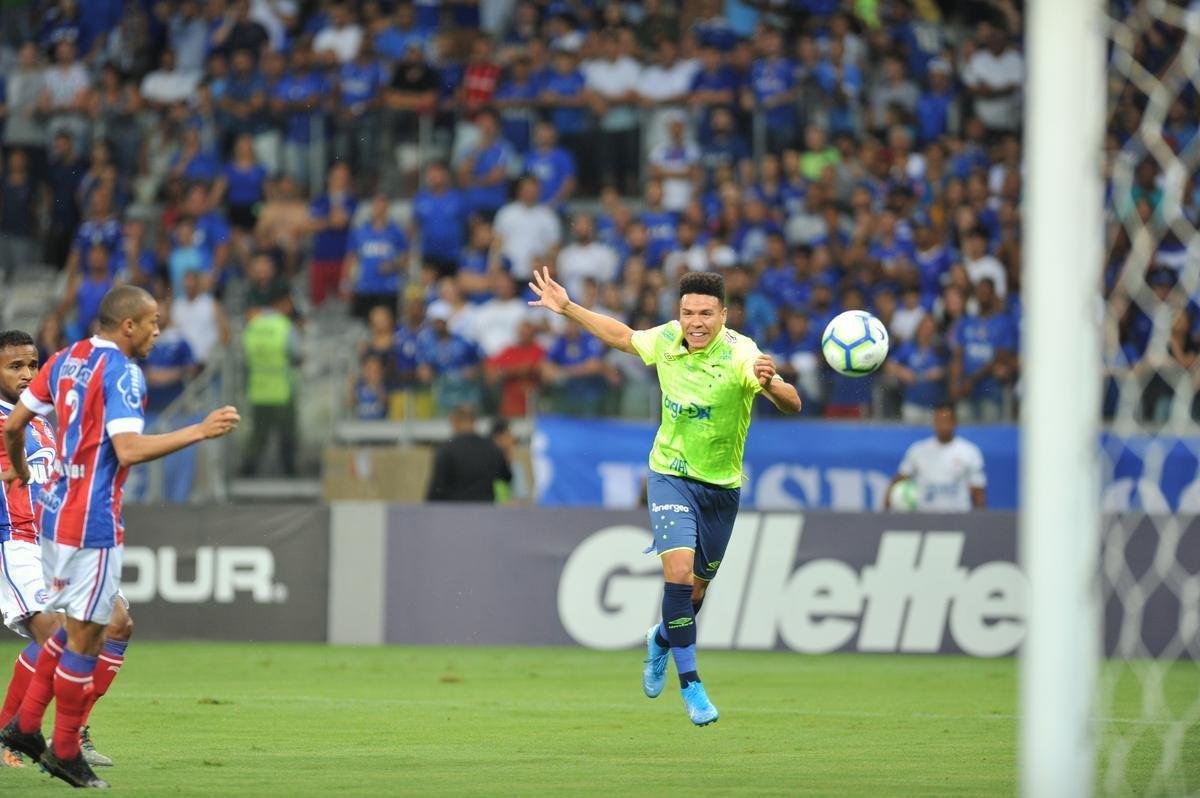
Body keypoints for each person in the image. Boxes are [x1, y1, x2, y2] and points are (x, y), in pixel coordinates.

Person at [527, 268, 801, 726]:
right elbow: (624, 337)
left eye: (706, 314)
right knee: (676, 573)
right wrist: (570, 308)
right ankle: (692, 686)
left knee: (694, 593)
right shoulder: (669, 338)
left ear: (724, 315)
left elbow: (792, 402)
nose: (696, 322)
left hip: (721, 487)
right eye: (688, 312)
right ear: (680, 313)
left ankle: (659, 639)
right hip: (669, 473)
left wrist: (772, 383)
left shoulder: (741, 356)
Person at [0, 288, 239, 788]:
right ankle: (37, 736)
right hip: (66, 527)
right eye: (153, 322)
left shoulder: (66, 360)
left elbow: (19, 425)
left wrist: (22, 468)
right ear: (127, 324)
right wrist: (200, 430)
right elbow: (127, 448)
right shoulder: (121, 372)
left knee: (108, 625)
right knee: (66, 634)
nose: (159, 331)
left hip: (53, 523)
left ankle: (41, 729)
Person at [885, 403, 986, 512]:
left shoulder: (970, 451)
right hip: (926, 517)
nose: (941, 426)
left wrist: (979, 521)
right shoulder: (918, 450)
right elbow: (899, 479)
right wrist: (886, 508)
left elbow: (978, 491)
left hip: (958, 517)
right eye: (938, 421)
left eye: (945, 421)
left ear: (954, 423)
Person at [425, 404, 511, 502]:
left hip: (455, 512)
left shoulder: (446, 450)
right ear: (474, 421)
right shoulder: (492, 448)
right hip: (486, 512)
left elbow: (436, 489)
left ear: (455, 421)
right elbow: (506, 477)